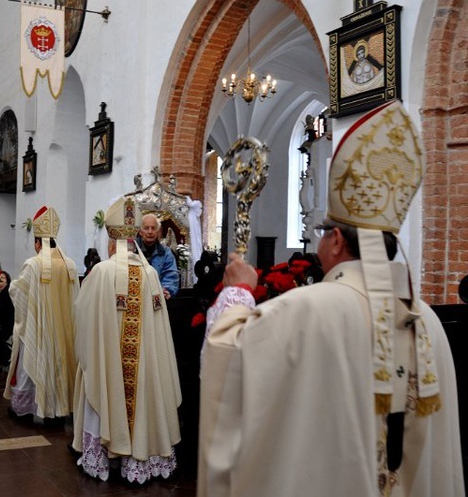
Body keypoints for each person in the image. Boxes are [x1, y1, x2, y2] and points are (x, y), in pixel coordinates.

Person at [198, 101, 464, 497]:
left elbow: (228, 360)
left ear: (337, 240)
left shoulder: (305, 309)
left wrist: (238, 291)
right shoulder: (425, 320)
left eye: (324, 232)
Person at [72, 196, 181, 484]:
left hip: (110, 364)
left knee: (107, 383)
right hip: (143, 366)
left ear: (112, 239)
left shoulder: (102, 271)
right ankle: (143, 453)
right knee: (143, 390)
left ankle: (108, 451)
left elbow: (82, 315)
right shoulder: (151, 274)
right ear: (133, 237)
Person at [4, 206, 79, 419]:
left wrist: (7, 287)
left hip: (38, 327)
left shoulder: (33, 263)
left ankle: (30, 408)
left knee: (31, 366)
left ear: (38, 242)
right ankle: (59, 406)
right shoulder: (70, 265)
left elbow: (18, 292)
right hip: (63, 330)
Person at [136, 213, 179, 299]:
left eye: (153, 228)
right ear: (140, 232)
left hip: (158, 298)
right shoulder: (132, 250)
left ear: (158, 231)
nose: (150, 232)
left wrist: (166, 290)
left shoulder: (166, 252)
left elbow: (171, 274)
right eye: (146, 228)